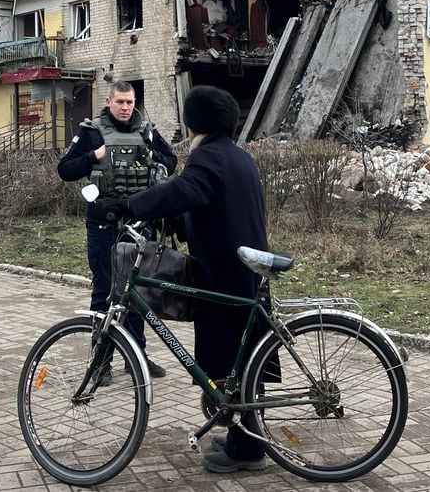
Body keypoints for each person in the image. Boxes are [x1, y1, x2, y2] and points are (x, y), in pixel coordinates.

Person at [101, 85, 272, 474]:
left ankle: (248, 451)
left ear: (193, 122)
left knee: (234, 360)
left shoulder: (207, 156)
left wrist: (131, 204)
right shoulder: (236, 156)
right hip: (240, 267)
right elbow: (209, 201)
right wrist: (179, 220)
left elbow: (187, 189)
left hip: (225, 273)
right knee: (241, 358)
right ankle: (244, 436)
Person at [57, 81, 177, 381]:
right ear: (108, 101)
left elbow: (171, 162)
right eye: (120, 102)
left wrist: (152, 159)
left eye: (130, 102)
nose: (125, 108)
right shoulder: (91, 131)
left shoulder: (147, 131)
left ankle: (136, 359)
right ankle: (100, 364)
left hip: (139, 225)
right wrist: (92, 157)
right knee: (104, 293)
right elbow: (65, 169)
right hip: (103, 224)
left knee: (137, 293)